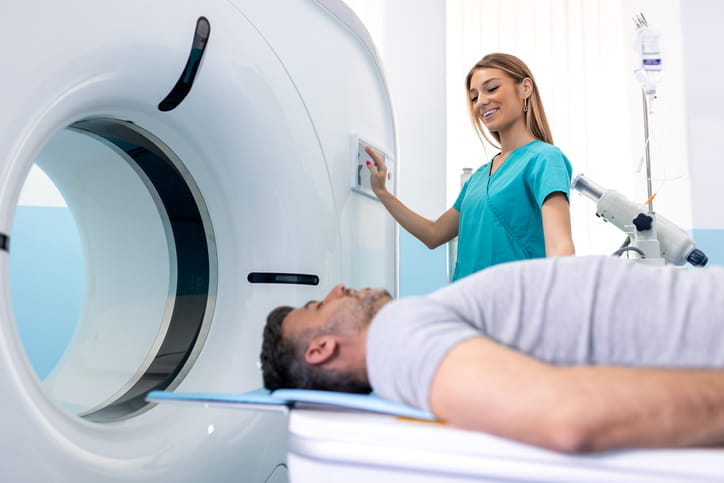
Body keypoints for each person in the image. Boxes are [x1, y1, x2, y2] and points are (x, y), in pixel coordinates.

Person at [260, 255, 724, 453]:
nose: (338, 288)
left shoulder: (402, 347)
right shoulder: (396, 338)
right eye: (321, 305)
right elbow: (567, 416)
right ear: (322, 350)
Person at [366, 53, 575, 281]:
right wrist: (382, 192)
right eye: (474, 97)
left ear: (525, 88)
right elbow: (433, 234)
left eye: (492, 88)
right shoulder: (478, 177)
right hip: (467, 304)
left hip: (517, 305)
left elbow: (560, 248)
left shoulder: (544, 159)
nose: (481, 102)